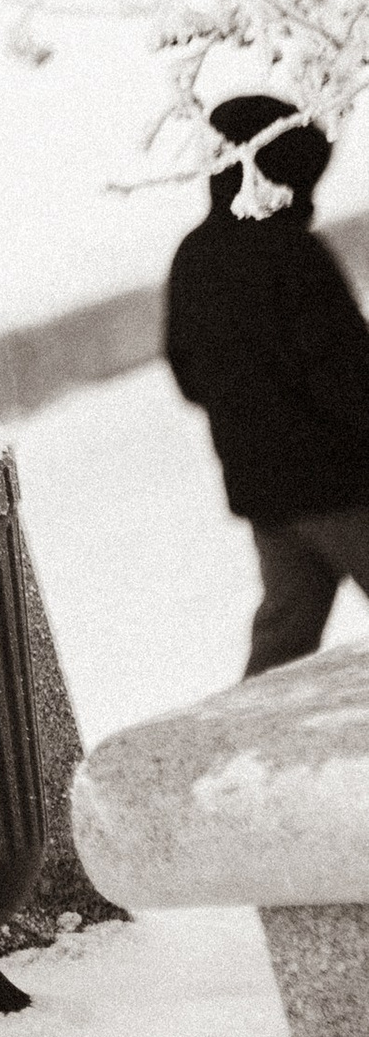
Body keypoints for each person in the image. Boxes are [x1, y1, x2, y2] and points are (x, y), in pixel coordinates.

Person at [164, 94, 369, 675]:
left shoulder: (195, 257)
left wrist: (252, 406)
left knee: (282, 642)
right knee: (286, 631)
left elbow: (188, 374)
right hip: (345, 486)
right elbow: (349, 375)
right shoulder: (293, 255)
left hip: (267, 496)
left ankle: (240, 753)